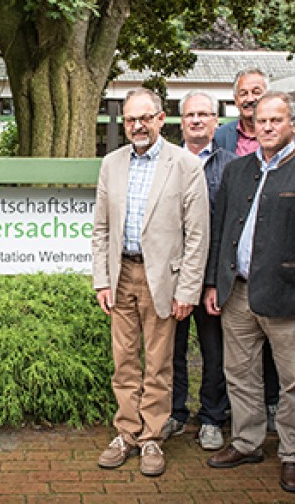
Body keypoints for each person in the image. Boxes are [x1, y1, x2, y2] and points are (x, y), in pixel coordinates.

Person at [204, 91, 295, 494]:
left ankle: (293, 454)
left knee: (293, 382)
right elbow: (223, 230)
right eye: (261, 121)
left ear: (293, 125)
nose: (267, 127)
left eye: (276, 120)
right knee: (240, 375)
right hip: (238, 294)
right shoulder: (237, 170)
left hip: (288, 298)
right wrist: (214, 281)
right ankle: (247, 442)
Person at [92, 88, 209, 477]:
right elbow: (101, 229)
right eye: (130, 120)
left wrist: (188, 291)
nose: (137, 126)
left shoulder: (185, 166)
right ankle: (125, 432)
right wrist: (101, 280)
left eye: (145, 118)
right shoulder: (111, 164)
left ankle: (152, 438)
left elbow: (197, 235)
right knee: (124, 360)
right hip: (121, 273)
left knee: (158, 363)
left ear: (161, 119)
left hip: (163, 279)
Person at [164, 91, 235, 450]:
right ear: (181, 121)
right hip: (170, 280)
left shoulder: (232, 165)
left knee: (214, 352)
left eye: (204, 114)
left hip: (210, 282)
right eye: (190, 114)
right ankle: (175, 413)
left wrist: (212, 283)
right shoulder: (166, 162)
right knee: (170, 352)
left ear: (216, 121)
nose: (196, 120)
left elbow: (228, 229)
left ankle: (211, 417)